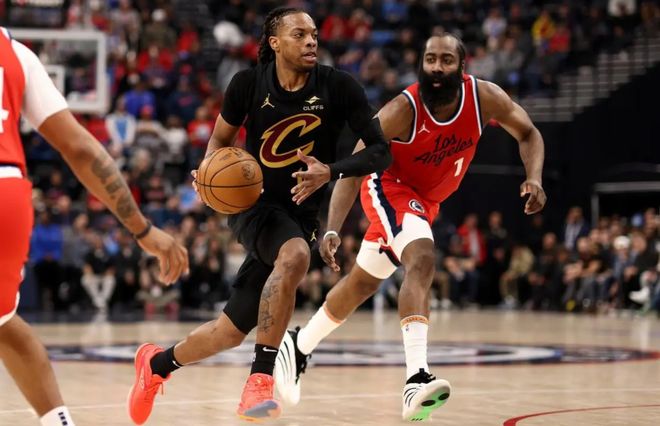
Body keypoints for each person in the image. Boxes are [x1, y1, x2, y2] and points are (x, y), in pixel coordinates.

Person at [127, 7, 391, 424]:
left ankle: (156, 365)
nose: (311, 41)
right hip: (254, 204)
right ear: (275, 42)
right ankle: (260, 381)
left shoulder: (339, 86)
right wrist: (207, 173)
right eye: (299, 34)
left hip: (301, 214)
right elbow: (219, 141)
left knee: (228, 332)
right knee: (295, 255)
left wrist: (331, 171)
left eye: (314, 34)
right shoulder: (247, 84)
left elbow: (381, 152)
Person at [275, 33, 547, 422]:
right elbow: (356, 164)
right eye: (430, 59)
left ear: (462, 67)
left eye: (446, 60)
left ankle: (299, 345)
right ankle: (416, 378)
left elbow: (529, 133)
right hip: (388, 186)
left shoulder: (484, 97)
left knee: (362, 284)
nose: (436, 67)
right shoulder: (404, 109)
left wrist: (534, 178)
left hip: (425, 202)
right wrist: (332, 228)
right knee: (421, 258)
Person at [0, 27, 189, 426]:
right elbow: (82, 149)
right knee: (4, 322)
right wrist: (142, 229)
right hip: (9, 196)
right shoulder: (15, 52)